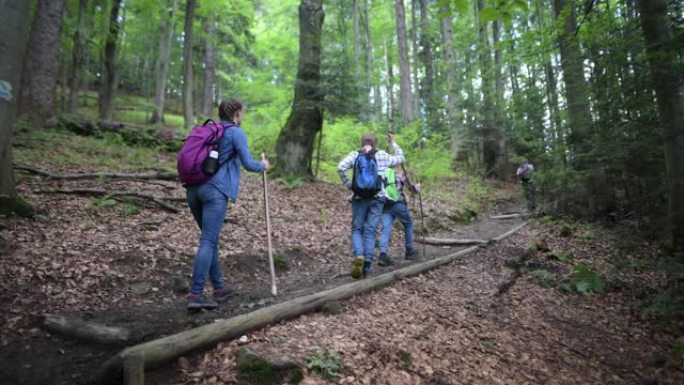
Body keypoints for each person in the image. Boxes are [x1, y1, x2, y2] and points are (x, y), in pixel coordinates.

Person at [185, 98, 269, 310]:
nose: (243, 117)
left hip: (193, 190)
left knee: (210, 239)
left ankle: (219, 288)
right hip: (215, 191)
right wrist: (263, 165)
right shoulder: (235, 133)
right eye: (242, 113)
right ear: (237, 113)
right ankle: (195, 294)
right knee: (208, 240)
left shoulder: (210, 131)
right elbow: (249, 164)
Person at [337, 132, 404, 279]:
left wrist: (351, 186)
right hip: (377, 198)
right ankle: (367, 266)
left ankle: (358, 255)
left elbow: (340, 168)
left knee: (357, 229)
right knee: (371, 231)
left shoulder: (355, 155)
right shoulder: (382, 155)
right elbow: (400, 158)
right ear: (376, 143)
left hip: (359, 198)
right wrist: (393, 143)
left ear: (361, 143)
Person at [377, 168, 419, 266]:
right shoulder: (400, 173)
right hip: (398, 203)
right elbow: (412, 189)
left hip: (384, 205)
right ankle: (409, 251)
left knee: (386, 229)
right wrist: (417, 188)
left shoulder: (381, 170)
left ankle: (383, 255)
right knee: (408, 225)